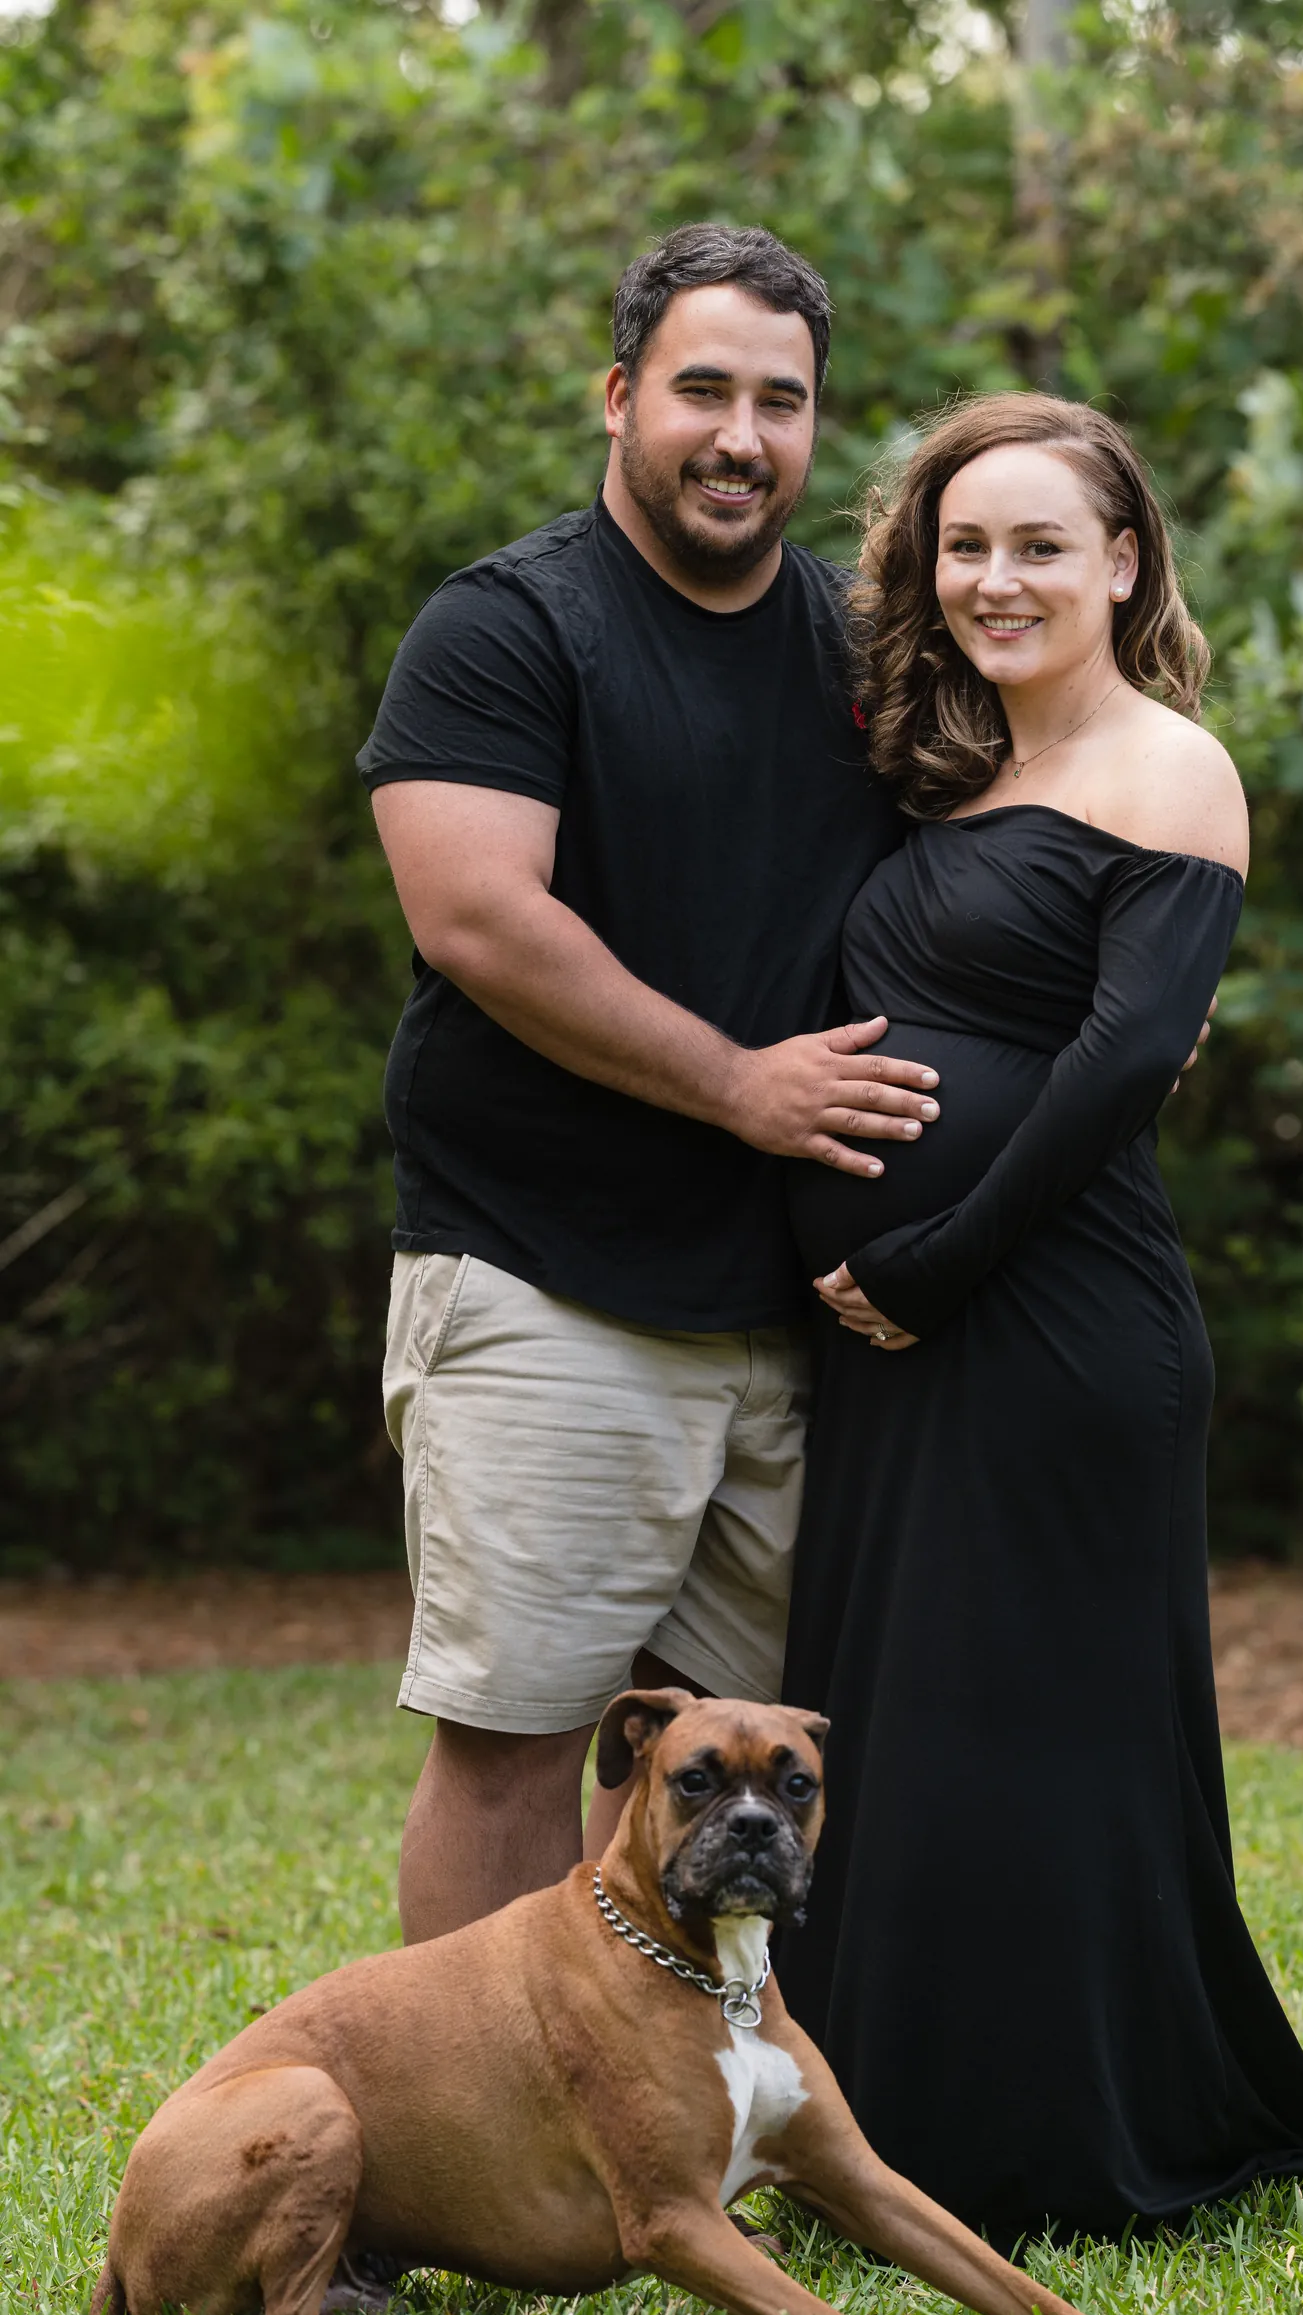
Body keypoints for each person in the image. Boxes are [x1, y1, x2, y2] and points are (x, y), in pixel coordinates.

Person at [778, 393, 1303, 2246]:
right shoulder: (941, 774)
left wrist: (932, 1263)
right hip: (892, 1334)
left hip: (1046, 1331)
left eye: (1041, 542)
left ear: (1125, 562)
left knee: (1032, 1731)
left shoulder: (1170, 767)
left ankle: (1051, 2140)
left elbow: (1123, 1065)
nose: (997, 577)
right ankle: (880, 2123)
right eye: (966, 544)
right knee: (904, 1722)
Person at [359, 223, 944, 1943]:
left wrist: (1153, 965)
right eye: (704, 388)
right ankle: (486, 2163)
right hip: (549, 1278)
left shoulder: (858, 647)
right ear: (620, 397)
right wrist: (743, 1087)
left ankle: (721, 2126)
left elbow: (1012, 844)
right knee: (519, 1746)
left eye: (784, 400)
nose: (742, 436)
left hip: (789, 1310)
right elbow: (475, 915)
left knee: (756, 1761)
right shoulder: (505, 627)